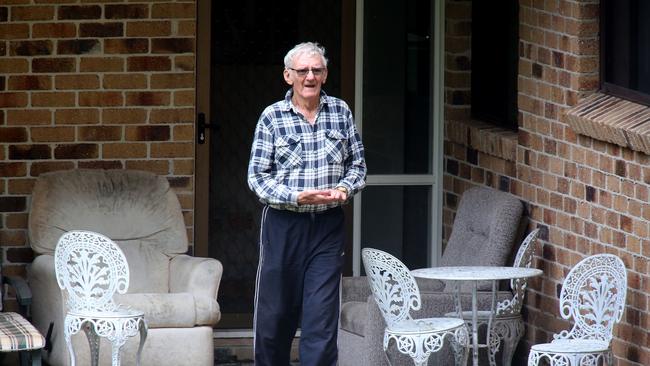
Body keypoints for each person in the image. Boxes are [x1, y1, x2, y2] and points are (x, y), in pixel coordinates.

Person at [247, 42, 367, 366]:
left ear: (325, 74)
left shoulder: (341, 112)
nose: (310, 77)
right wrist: (295, 196)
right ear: (288, 76)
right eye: (302, 71)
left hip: (327, 227)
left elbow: (358, 166)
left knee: (321, 321)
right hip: (284, 225)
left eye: (316, 70)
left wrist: (344, 188)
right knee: (275, 319)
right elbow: (257, 177)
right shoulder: (272, 117)